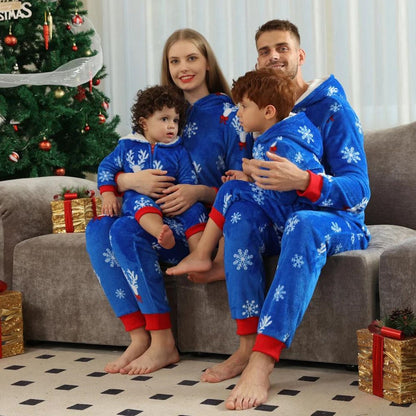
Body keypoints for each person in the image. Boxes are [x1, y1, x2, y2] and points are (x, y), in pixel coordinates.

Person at [170, 19, 371, 411]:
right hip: (282, 212)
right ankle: (246, 347)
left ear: (300, 55)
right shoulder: (260, 109)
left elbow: (360, 190)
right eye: (264, 50)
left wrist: (305, 180)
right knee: (241, 212)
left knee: (303, 223)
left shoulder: (333, 109)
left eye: (282, 48)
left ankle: (262, 362)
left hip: (335, 219)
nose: (273, 56)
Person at [85, 28, 252, 376]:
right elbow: (120, 163)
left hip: (199, 224)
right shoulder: (161, 109)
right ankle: (139, 336)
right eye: (174, 61)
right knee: (98, 229)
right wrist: (129, 181)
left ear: (207, 63)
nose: (183, 67)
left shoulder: (231, 115)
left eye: (192, 58)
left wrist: (198, 192)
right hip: (152, 212)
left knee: (125, 232)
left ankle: (163, 344)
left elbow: (242, 186)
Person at [167, 67, 325, 275]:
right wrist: (250, 179)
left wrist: (249, 180)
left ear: (268, 112)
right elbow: (275, 186)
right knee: (235, 195)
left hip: (291, 218)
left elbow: (285, 196)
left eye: (243, 106)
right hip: (285, 212)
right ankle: (213, 259)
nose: (238, 112)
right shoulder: (270, 137)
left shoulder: (281, 145)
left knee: (231, 190)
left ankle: (202, 254)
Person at [98, 84, 207, 251]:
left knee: (196, 209)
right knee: (138, 201)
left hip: (171, 204)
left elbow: (188, 177)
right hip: (140, 200)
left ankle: (198, 253)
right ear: (144, 123)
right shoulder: (127, 146)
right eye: (164, 119)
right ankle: (160, 232)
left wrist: (180, 197)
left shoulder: (178, 150)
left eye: (175, 120)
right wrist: (108, 195)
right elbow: (106, 167)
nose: (172, 125)